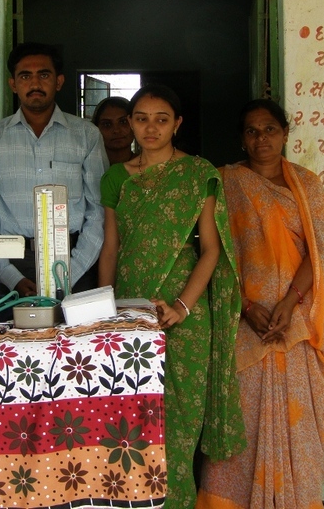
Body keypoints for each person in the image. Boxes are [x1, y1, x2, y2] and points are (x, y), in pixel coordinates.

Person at [196, 99, 324, 509]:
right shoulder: (225, 183)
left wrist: (290, 302)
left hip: (293, 321)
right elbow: (216, 254)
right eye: (252, 131)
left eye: (269, 129)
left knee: (295, 421)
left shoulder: (307, 185)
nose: (261, 138)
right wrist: (246, 306)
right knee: (240, 420)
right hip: (242, 322)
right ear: (241, 139)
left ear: (285, 133)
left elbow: (320, 255)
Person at [98, 84, 245, 509]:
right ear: (130, 124)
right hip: (130, 311)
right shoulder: (116, 177)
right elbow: (112, 247)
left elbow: (212, 250)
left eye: (161, 119)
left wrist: (182, 306)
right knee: (131, 418)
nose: (150, 128)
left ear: (177, 125)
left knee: (179, 420)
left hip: (186, 314)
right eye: (141, 118)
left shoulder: (198, 174)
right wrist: (110, 309)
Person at [0, 42, 109, 297]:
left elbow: (97, 213)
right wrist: (9, 276)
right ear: (13, 84)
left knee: (78, 337)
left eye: (43, 75)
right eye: (25, 76)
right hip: (13, 265)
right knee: (11, 337)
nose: (35, 84)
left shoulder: (86, 136)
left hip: (74, 262)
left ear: (58, 81)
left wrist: (70, 272)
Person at [91, 96, 137, 164]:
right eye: (107, 124)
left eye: (123, 122)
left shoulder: (150, 169)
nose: (116, 130)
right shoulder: (88, 168)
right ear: (96, 128)